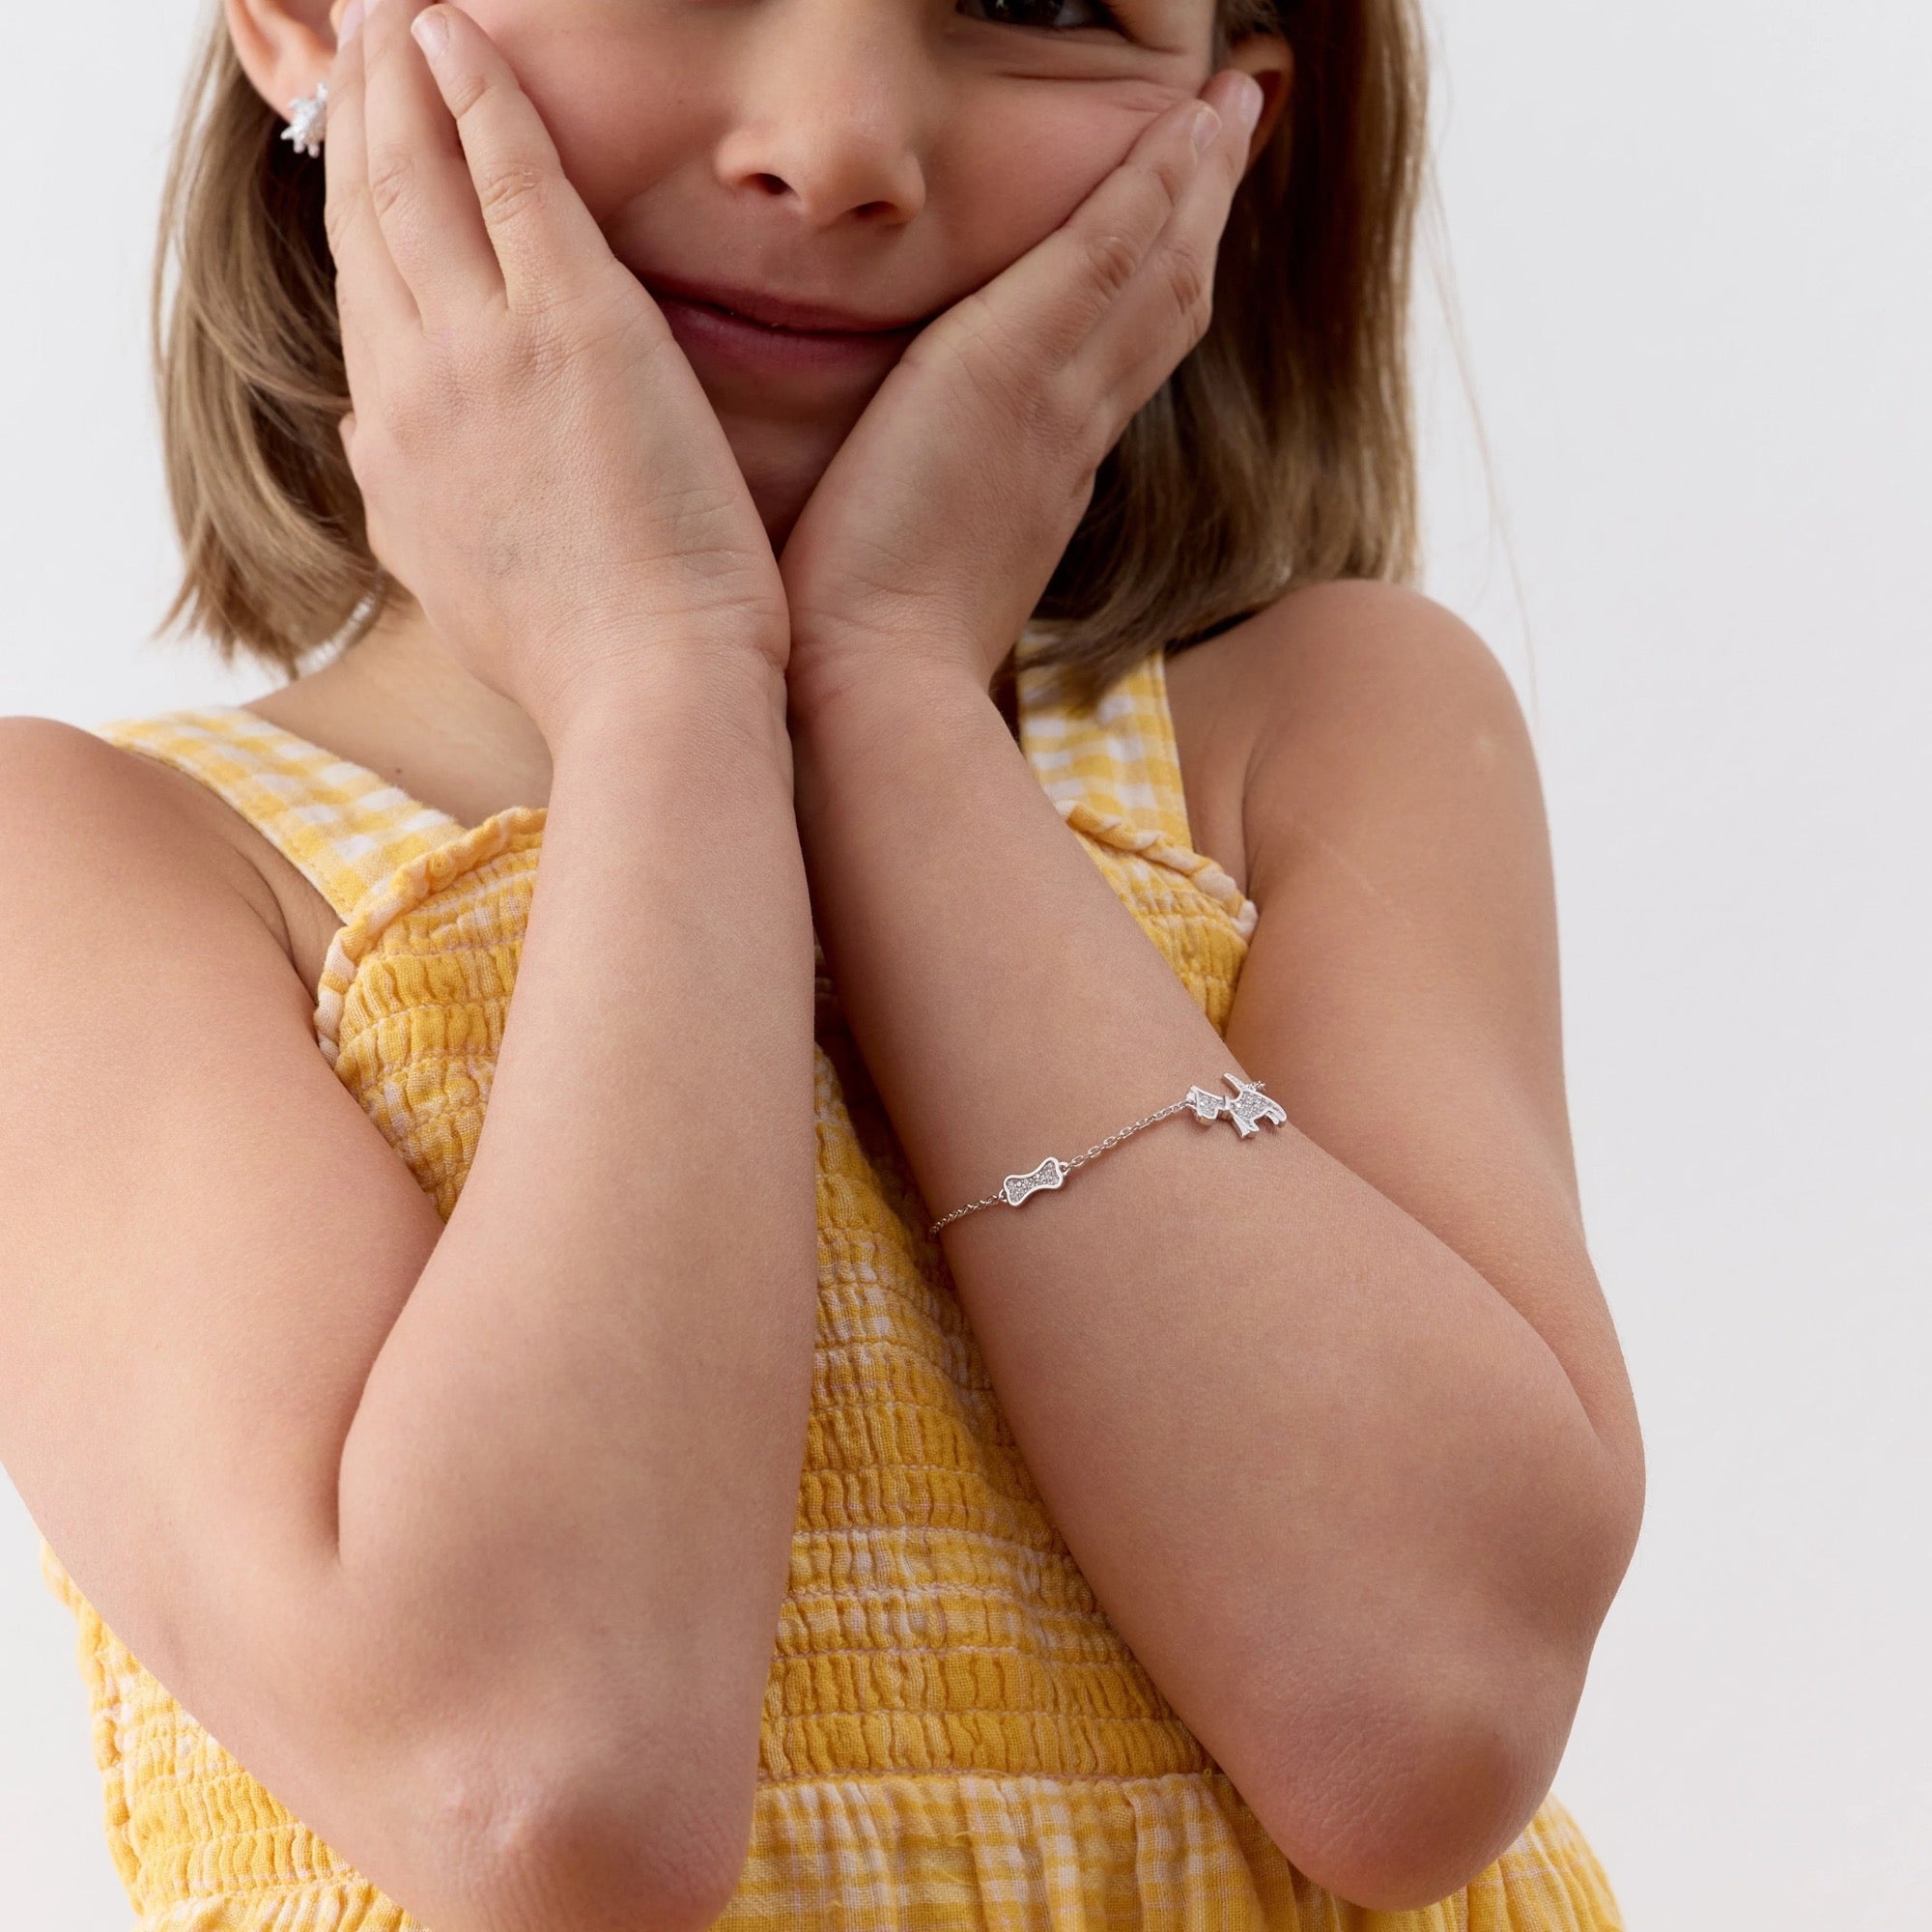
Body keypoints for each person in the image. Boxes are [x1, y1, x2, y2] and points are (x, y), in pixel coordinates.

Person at [0, 0, 1645, 1923]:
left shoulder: (1311, 736)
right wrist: (660, 685)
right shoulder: (100, 870)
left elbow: (1421, 1714)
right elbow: (548, 1785)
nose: (840, 136)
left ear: (1227, 123)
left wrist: (887, 701)